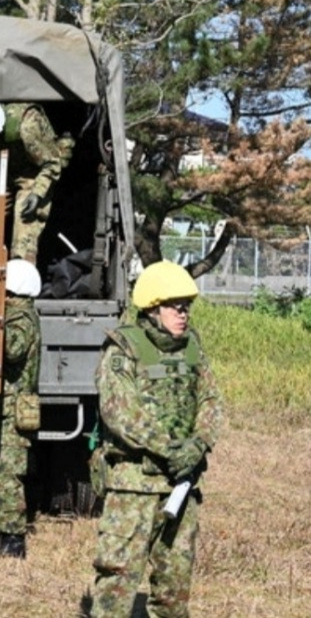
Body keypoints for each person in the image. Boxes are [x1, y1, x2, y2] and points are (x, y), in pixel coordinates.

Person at [90, 261, 222, 617]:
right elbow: (120, 413)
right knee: (117, 582)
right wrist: (171, 449)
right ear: (152, 309)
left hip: (181, 485)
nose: (183, 313)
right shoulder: (123, 349)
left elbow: (211, 400)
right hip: (134, 487)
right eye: (175, 306)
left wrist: (199, 443)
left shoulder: (192, 347)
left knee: (174, 587)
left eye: (187, 306)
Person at [0, 98, 74, 261]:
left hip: (35, 173)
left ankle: (20, 269)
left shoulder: (27, 127)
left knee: (24, 231)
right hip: (6, 168)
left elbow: (52, 163)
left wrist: (37, 193)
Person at [0, 259, 42, 559]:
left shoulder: (21, 318)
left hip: (13, 408)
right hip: (2, 406)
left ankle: (13, 539)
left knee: (6, 473)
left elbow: (12, 350)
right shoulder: (17, 314)